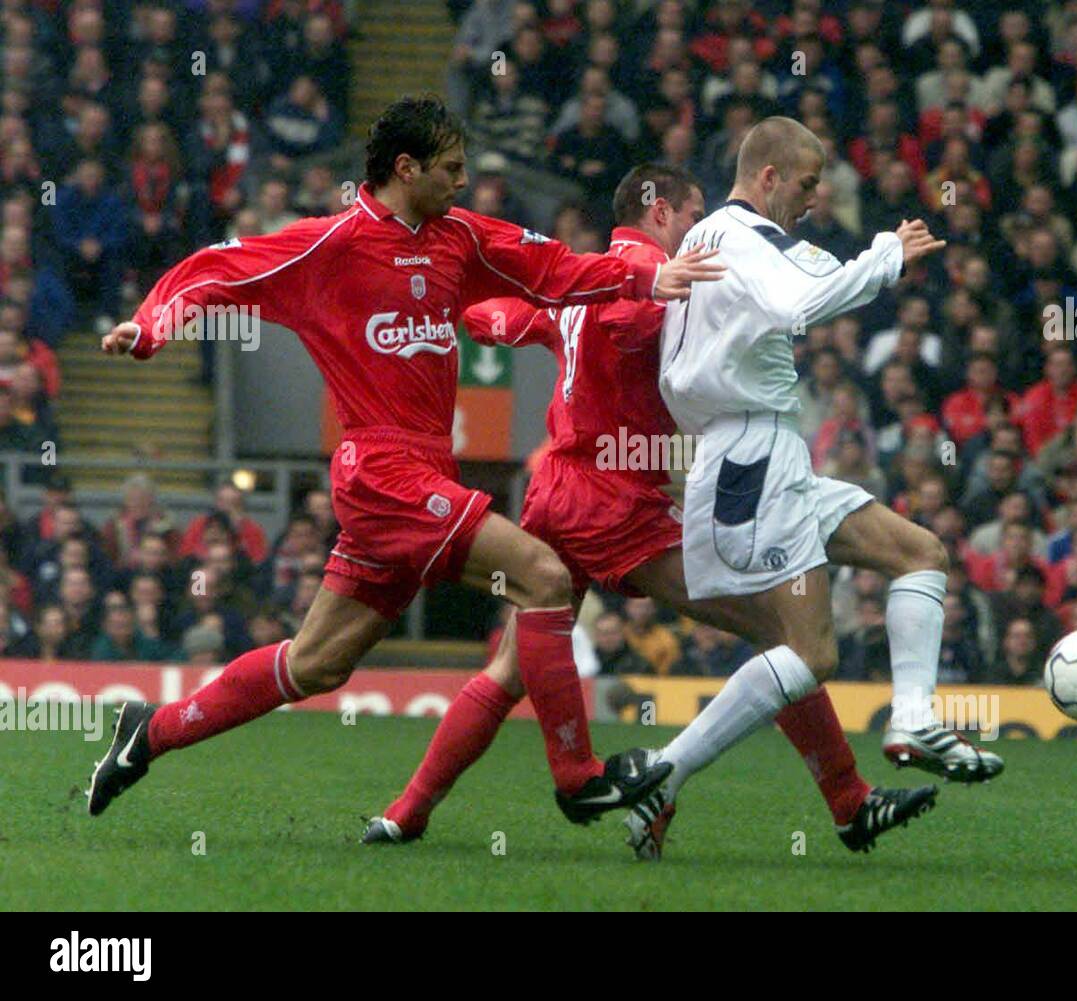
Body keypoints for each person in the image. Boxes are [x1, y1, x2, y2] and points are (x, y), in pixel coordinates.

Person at [85, 95, 725, 827]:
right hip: (381, 470)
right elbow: (216, 268)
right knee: (544, 576)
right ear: (405, 167)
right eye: (450, 168)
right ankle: (577, 778)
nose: (462, 182)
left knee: (315, 664)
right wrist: (151, 325)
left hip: (424, 473)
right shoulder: (329, 245)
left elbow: (548, 267)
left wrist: (644, 279)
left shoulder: (459, 237)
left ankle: (148, 733)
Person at [364, 164, 890, 855]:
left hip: (556, 486)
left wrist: (459, 311)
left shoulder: (576, 275)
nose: (704, 231)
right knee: (782, 634)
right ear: (661, 211)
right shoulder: (652, 281)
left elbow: (502, 317)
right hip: (612, 505)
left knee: (510, 670)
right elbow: (634, 320)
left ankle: (407, 811)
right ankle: (832, 797)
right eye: (697, 214)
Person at [645, 116, 1003, 857]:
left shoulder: (707, 238)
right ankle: (663, 771)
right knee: (809, 655)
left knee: (920, 552)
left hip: (762, 451)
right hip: (750, 456)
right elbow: (798, 303)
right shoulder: (743, 235)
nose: (813, 198)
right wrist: (885, 254)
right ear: (770, 176)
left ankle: (910, 719)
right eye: (806, 183)